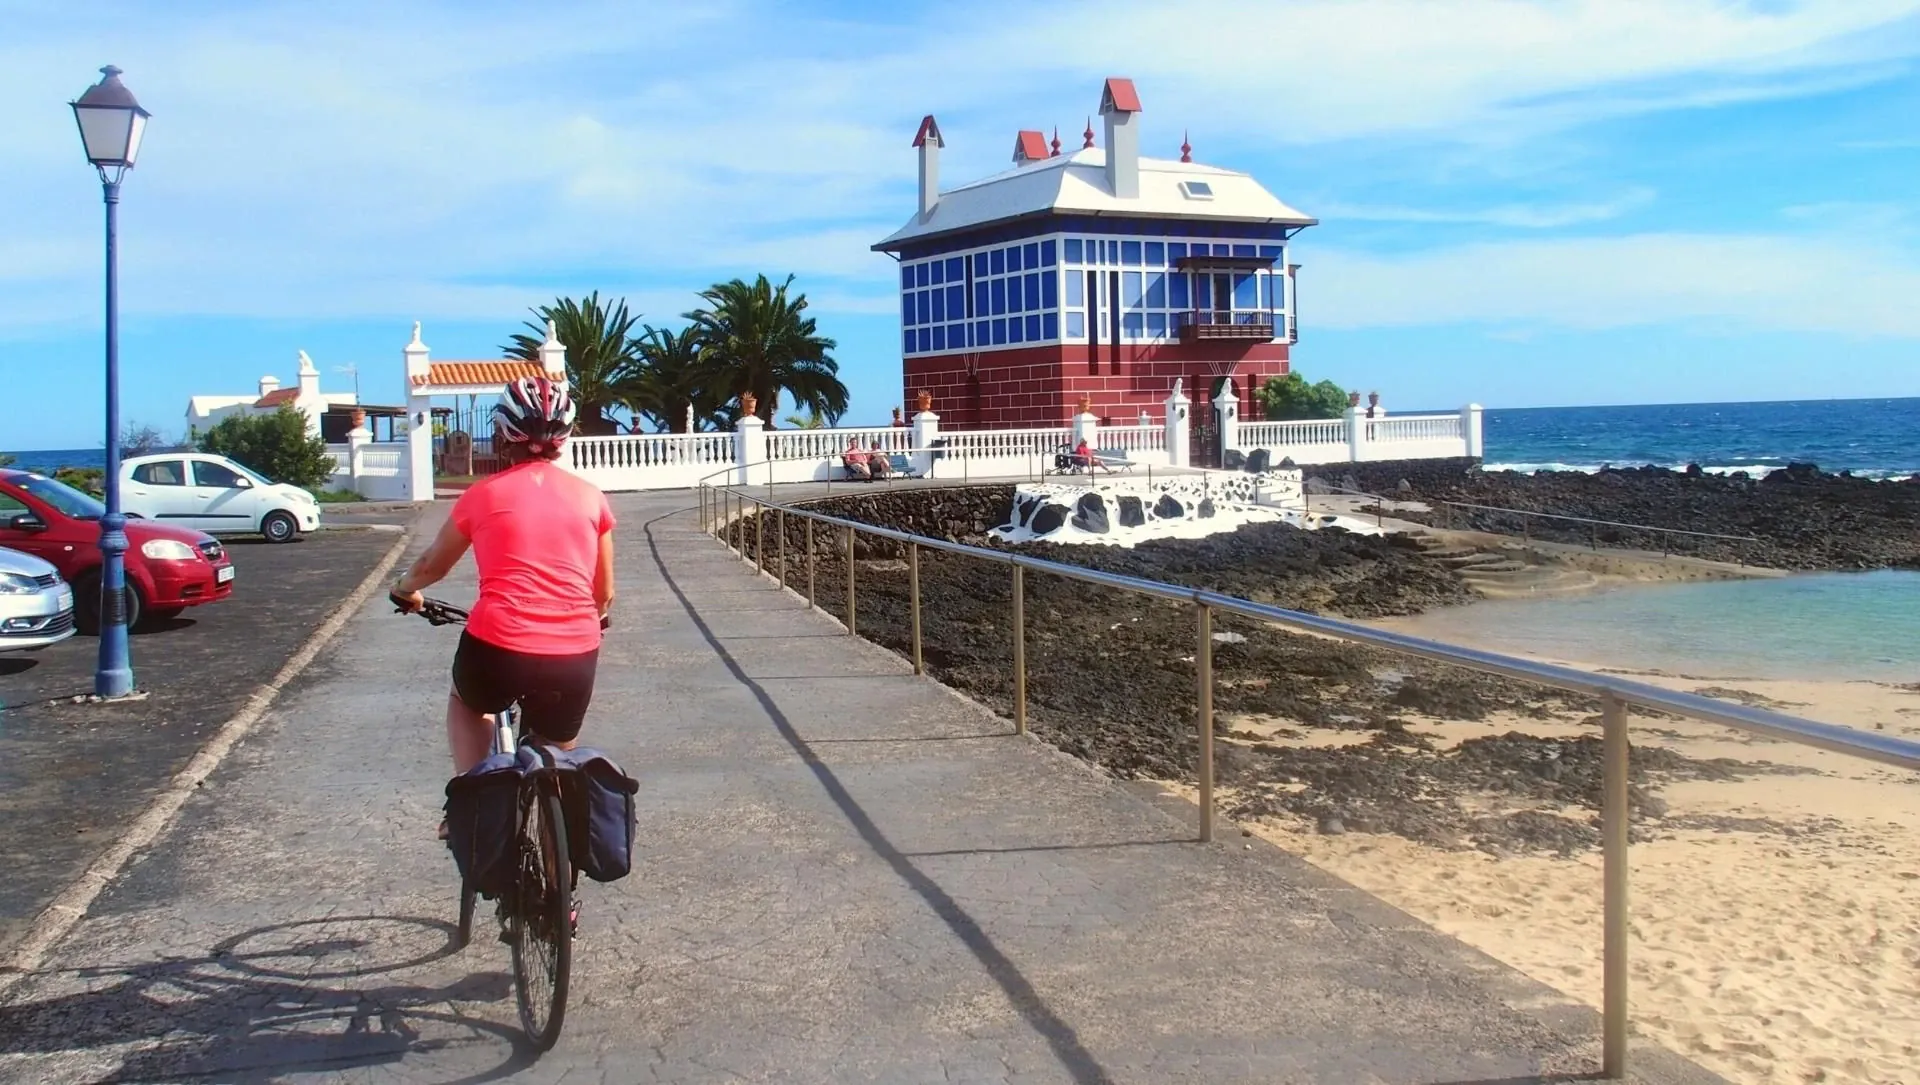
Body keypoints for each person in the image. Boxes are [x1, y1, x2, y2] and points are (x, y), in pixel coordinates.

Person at [391, 376, 616, 794]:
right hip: (574, 652)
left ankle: (471, 796)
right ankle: (559, 837)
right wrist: (596, 617)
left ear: (501, 433)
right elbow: (603, 593)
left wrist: (404, 589)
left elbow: (431, 566)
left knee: (467, 702)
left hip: (498, 645)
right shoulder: (591, 497)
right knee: (557, 762)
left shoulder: (483, 495)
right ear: (563, 438)